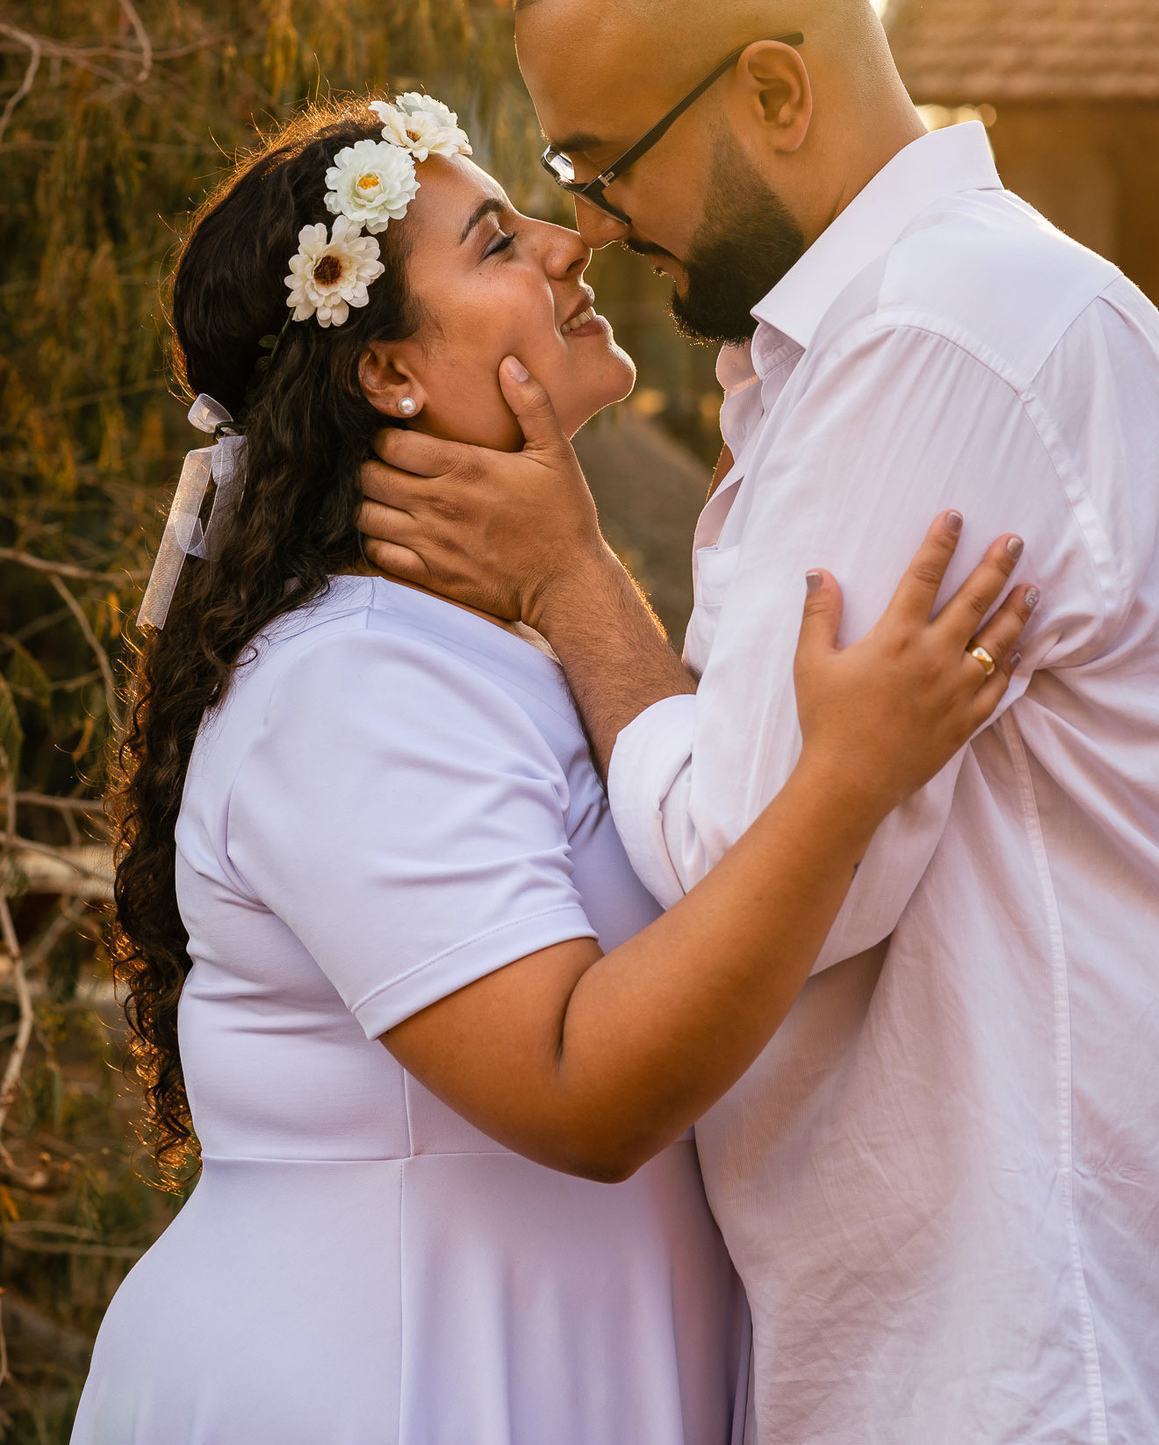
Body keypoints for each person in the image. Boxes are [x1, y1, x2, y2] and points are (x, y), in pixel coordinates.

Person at [358, 0, 1159, 1445]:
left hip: (1024, 1354)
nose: (590, 226)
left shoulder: (940, 340)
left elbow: (747, 866)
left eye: (603, 162)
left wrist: (573, 580)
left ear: (774, 91)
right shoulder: (873, 344)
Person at [73, 95, 1032, 1445]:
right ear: (390, 374)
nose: (569, 241)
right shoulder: (352, 683)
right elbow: (580, 1089)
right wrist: (848, 779)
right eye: (496, 241)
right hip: (396, 1379)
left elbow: (694, 849)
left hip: (549, 1362)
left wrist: (580, 586)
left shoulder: (488, 646)